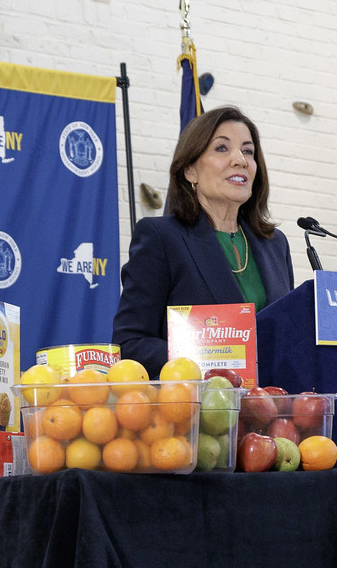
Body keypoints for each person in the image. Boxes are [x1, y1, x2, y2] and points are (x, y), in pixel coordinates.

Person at [112, 106, 296, 377]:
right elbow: (130, 343)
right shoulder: (161, 237)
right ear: (190, 171)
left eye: (248, 151)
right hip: (198, 410)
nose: (240, 160)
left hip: (271, 410)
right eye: (222, 149)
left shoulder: (274, 243)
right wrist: (203, 359)